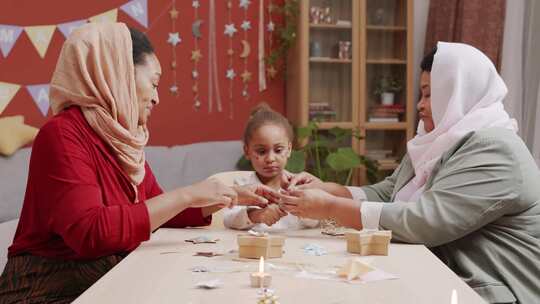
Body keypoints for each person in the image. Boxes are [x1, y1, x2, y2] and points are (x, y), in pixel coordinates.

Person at [0, 23, 275, 303]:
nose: (157, 97)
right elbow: (91, 233)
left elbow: (156, 208)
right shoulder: (61, 135)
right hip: (46, 289)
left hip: (104, 279)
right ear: (117, 74)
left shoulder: (121, 137)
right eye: (153, 83)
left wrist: (223, 197)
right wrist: (188, 194)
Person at [280, 42, 540, 304]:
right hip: (444, 277)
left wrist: (331, 207)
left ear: (456, 92)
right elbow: (390, 191)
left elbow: (426, 221)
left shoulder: (495, 149)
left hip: (495, 291)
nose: (420, 105)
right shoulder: (439, 141)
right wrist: (328, 188)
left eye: (429, 94)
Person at [223, 104, 318, 231]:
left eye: (278, 150)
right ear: (247, 151)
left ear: (289, 149)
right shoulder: (242, 185)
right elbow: (229, 219)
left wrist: (300, 206)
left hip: (296, 249)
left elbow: (315, 222)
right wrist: (257, 215)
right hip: (255, 249)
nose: (270, 159)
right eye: (261, 152)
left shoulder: (299, 185)